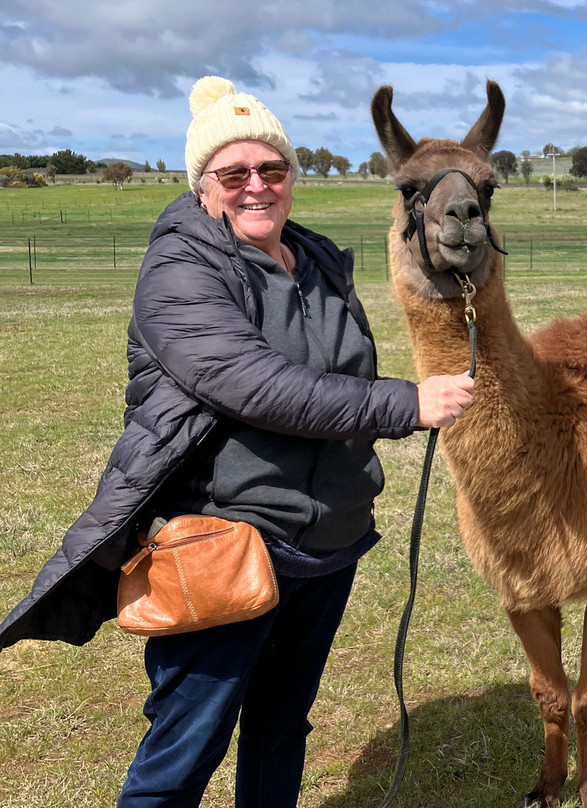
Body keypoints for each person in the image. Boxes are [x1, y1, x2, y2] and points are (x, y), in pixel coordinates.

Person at [0, 76, 474, 806]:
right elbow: (253, 383)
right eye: (235, 173)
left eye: (272, 169)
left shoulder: (316, 263)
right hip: (225, 544)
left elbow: (338, 372)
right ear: (203, 187)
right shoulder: (181, 269)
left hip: (325, 548)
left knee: (282, 729)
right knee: (185, 749)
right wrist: (405, 402)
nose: (257, 186)